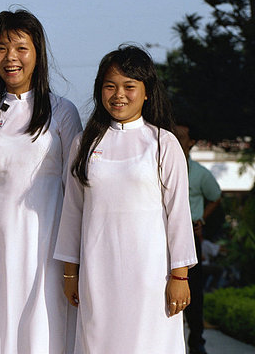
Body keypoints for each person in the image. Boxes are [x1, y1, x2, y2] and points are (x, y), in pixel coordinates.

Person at [54, 45, 197, 353]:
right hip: (97, 273)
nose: (118, 94)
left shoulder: (162, 143)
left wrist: (179, 275)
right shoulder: (85, 144)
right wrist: (70, 273)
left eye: (129, 86)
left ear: (146, 92)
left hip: (151, 275)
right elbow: (72, 212)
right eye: (110, 86)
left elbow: (179, 214)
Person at [0, 9, 82, 353]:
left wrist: (75, 253)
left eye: (21, 47)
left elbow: (76, 188)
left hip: (48, 237)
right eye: (2, 48)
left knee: (46, 324)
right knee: (1, 322)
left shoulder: (62, 111)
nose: (11, 58)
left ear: (37, 53)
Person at [176, 122, 222, 354]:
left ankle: (196, 342)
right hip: (163, 235)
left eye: (181, 136)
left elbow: (216, 196)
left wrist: (201, 219)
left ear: (191, 142)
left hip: (189, 237)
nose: (175, 137)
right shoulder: (159, 164)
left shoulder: (200, 174)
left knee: (193, 290)